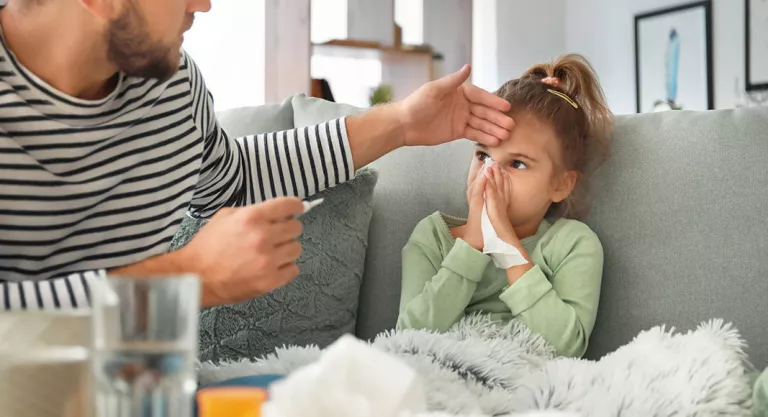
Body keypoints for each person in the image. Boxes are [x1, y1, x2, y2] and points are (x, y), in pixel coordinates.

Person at [0, 0, 515, 311]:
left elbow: (233, 180)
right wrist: (183, 282)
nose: (203, 4)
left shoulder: (172, 86)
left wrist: (401, 123)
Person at [396, 54, 613, 358]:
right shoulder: (433, 237)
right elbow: (406, 338)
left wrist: (508, 249)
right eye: (483, 155)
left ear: (561, 185)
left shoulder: (572, 244)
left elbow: (567, 348)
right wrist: (472, 242)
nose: (489, 174)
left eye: (517, 163)